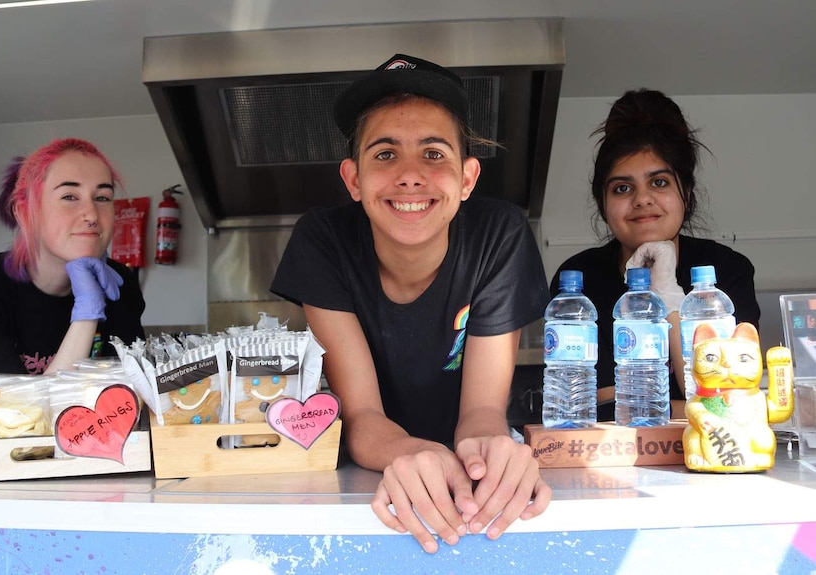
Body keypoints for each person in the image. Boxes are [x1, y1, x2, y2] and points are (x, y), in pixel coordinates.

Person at [271, 54, 551, 552]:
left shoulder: (499, 235)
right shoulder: (323, 240)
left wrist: (492, 453)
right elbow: (362, 416)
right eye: (384, 154)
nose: (409, 176)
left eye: (434, 154)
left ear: (467, 179)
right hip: (376, 467)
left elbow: (483, 411)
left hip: (466, 471)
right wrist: (410, 453)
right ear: (353, 179)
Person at [550, 89, 760, 421]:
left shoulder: (727, 269)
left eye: (659, 183)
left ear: (686, 195)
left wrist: (669, 294)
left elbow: (727, 401)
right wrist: (693, 409)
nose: (642, 199)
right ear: (603, 205)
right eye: (622, 188)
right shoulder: (580, 278)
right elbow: (597, 408)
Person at [0, 138, 145, 389]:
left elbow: (128, 391)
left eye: (102, 197)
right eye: (69, 196)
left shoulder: (120, 282)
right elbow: (20, 413)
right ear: (26, 213)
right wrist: (87, 314)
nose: (91, 214)